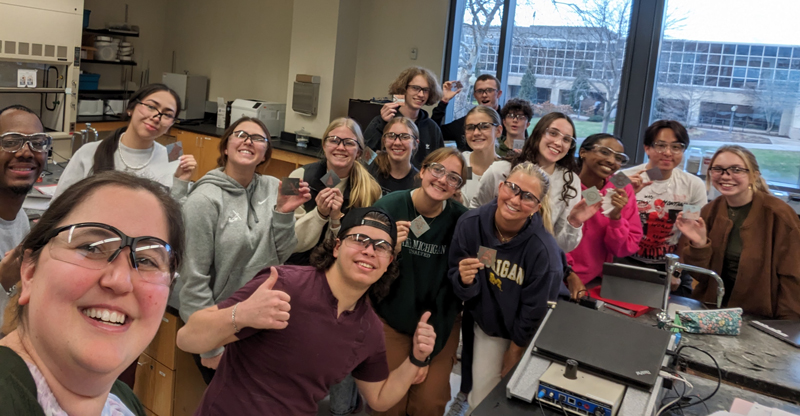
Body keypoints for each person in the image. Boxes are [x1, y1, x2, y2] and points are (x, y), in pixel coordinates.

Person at [175, 207, 437, 415]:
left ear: (389, 261)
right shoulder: (284, 284)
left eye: (381, 247)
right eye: (359, 239)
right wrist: (240, 314)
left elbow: (379, 398)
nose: (369, 250)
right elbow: (187, 338)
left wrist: (415, 358)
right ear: (336, 247)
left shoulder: (368, 329)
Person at [0, 171, 185, 415]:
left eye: (147, 260)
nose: (120, 281)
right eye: (91, 247)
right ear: (30, 272)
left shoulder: (123, 399)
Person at [178, 117, 311, 383]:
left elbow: (283, 254)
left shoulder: (276, 186)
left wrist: (284, 214)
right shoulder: (202, 200)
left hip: (264, 315)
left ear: (264, 155)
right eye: (240, 134)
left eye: (258, 138)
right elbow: (193, 280)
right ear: (226, 147)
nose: (248, 140)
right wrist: (210, 344)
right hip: (221, 322)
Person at [450, 162, 565, 412]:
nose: (515, 199)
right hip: (488, 327)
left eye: (527, 197)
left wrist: (516, 349)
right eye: (512, 188)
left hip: (529, 332)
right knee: (482, 399)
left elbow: (536, 309)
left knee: (520, 399)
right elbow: (456, 279)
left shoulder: (543, 250)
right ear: (500, 187)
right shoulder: (470, 224)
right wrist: (464, 281)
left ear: (536, 207)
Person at [370, 147, 469, 416]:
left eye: (453, 177)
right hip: (391, 317)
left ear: (458, 186)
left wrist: (425, 353)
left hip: (439, 321)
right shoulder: (388, 208)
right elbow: (363, 271)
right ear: (422, 171)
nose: (443, 179)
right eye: (437, 170)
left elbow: (454, 288)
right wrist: (390, 253)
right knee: (388, 403)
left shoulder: (460, 221)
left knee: (428, 403)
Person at [676, 145, 800, 318]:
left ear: (754, 176)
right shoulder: (709, 211)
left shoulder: (778, 215)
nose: (726, 176)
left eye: (736, 170)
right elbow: (703, 278)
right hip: (712, 313)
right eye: (718, 169)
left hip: (760, 319)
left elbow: (793, 278)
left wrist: (787, 325)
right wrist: (699, 245)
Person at [470, 112, 595, 254]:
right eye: (553, 133)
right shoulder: (500, 170)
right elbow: (475, 214)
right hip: (492, 256)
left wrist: (574, 222)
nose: (558, 143)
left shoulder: (570, 182)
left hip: (535, 265)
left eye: (566, 139)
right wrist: (483, 256)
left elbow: (562, 247)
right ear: (538, 133)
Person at [54, 84, 197, 199]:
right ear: (131, 108)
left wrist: (182, 182)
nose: (156, 117)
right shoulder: (89, 151)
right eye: (151, 107)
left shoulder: (173, 156)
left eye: (167, 115)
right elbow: (58, 206)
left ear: (171, 124)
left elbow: (176, 218)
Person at [286, 118, 381, 265]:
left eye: (349, 143)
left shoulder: (373, 191)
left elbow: (363, 247)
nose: (341, 147)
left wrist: (336, 221)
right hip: (296, 265)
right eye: (334, 140)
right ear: (324, 145)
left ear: (359, 152)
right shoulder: (295, 176)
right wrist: (320, 214)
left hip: (341, 268)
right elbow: (285, 240)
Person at [621, 120, 706, 271]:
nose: (668, 153)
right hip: (624, 257)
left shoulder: (693, 185)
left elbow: (689, 229)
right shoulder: (622, 177)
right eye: (661, 146)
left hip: (668, 263)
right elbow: (598, 208)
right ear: (647, 148)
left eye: (676, 147)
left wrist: (676, 269)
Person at [567, 134, 642, 285]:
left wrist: (616, 219)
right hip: (559, 274)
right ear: (583, 152)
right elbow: (550, 236)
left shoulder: (621, 185)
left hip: (595, 281)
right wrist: (567, 272)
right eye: (605, 152)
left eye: (619, 158)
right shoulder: (564, 182)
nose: (611, 161)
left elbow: (625, 247)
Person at [0, 105, 48, 335]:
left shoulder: (19, 218)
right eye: (11, 141)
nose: (26, 152)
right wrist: (3, 281)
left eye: (37, 142)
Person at [364, 67, 444, 168]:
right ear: (404, 89)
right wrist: (383, 126)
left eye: (425, 90)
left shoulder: (432, 128)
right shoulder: (380, 122)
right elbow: (365, 158)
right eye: (415, 88)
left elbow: (440, 164)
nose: (421, 94)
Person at [432, 74, 503, 152]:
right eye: (480, 91)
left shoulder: (509, 123)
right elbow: (434, 132)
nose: (484, 95)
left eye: (489, 90)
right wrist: (444, 101)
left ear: (499, 94)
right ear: (475, 95)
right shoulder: (464, 123)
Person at [459, 106, 501, 205]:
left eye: (484, 126)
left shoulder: (506, 170)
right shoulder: (459, 162)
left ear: (498, 131)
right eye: (470, 128)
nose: (476, 133)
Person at [368, 117, 420, 195]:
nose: (397, 143)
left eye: (405, 137)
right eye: (391, 136)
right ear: (384, 141)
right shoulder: (370, 167)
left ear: (415, 144)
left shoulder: (418, 182)